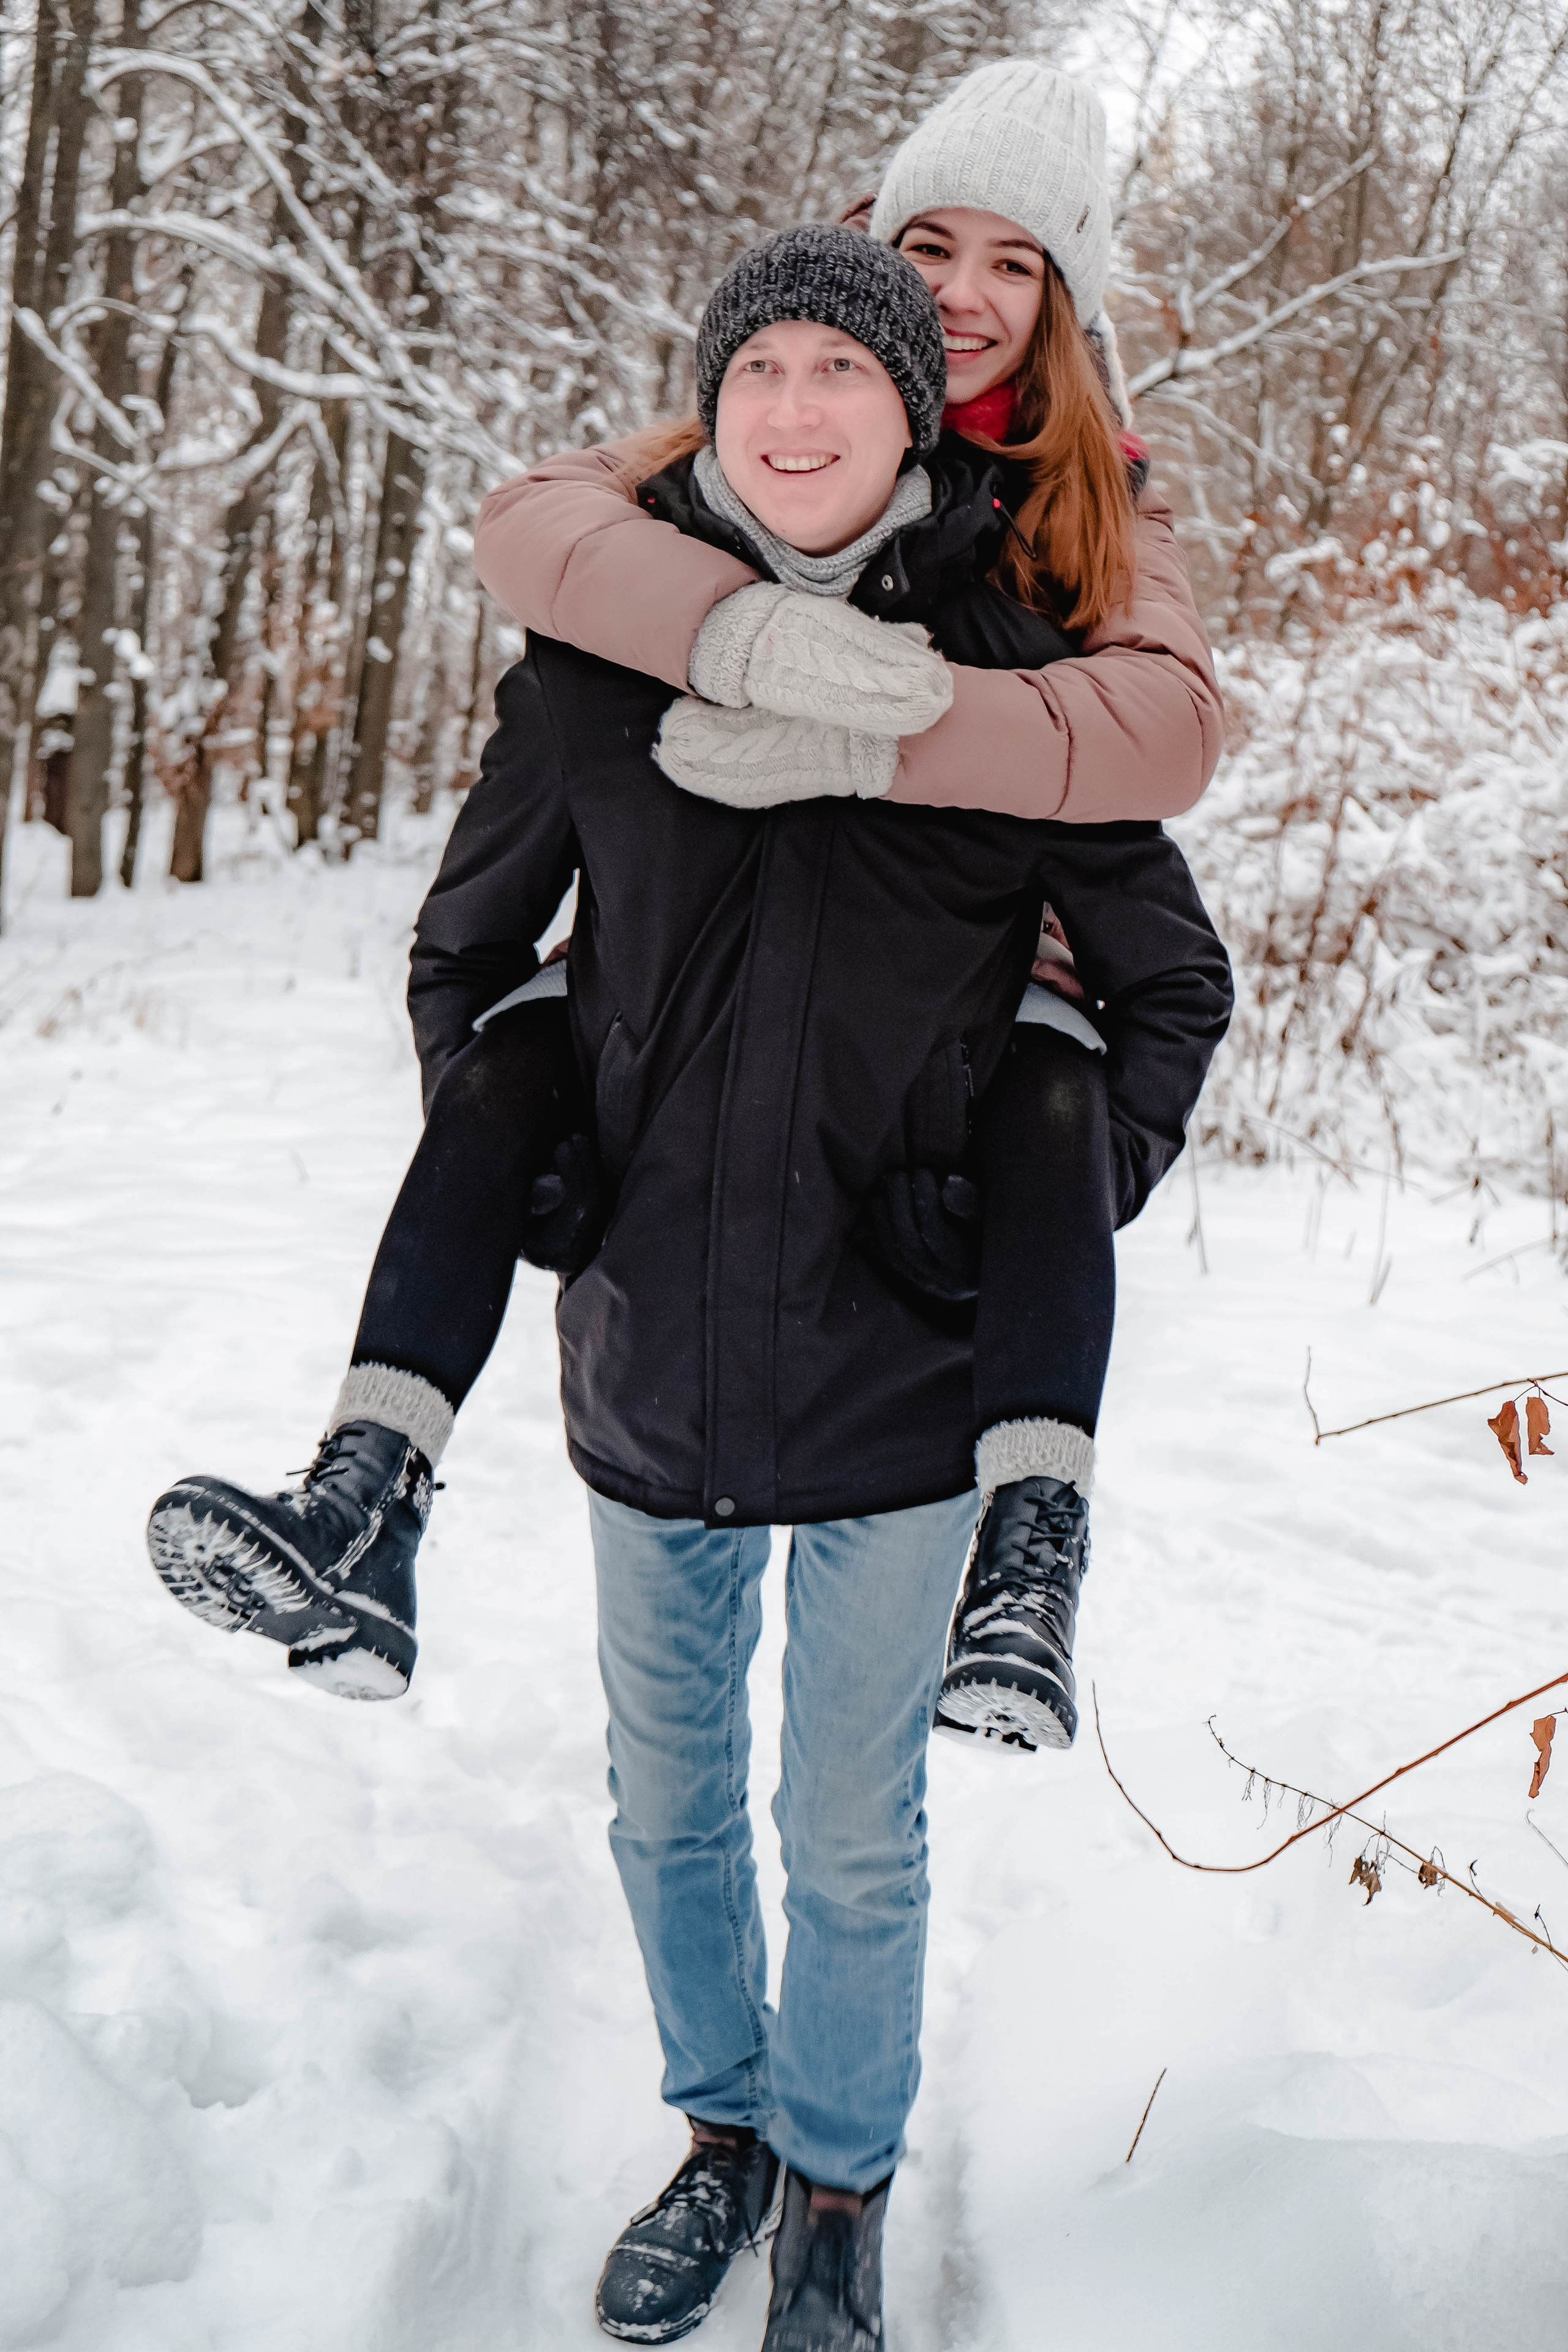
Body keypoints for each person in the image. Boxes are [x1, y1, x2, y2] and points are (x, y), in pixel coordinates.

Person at [146, 222, 1229, 2349]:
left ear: (915, 412)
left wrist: (1040, 1198)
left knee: (850, 1828)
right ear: (710, 403)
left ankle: (834, 2191)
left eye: (848, 371)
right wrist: (546, 1162)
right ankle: (720, 2130)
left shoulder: (1009, 683)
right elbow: (469, 957)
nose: (801, 408)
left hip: (908, 1372)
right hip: (650, 1361)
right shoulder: (593, 669)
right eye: (763, 373)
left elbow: (1168, 991)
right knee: (665, 1808)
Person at [465, 58, 1229, 1753]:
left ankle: (1037, 1540)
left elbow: (1171, 729)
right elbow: (531, 530)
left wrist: (882, 737)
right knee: (667, 1764)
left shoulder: (1094, 507)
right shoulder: (770, 418)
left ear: (1063, 307)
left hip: (959, 1023)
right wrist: (742, 637)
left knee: (854, 1808)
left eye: (1016, 263)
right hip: (719, 1056)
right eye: (930, 242)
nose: (962, 292)